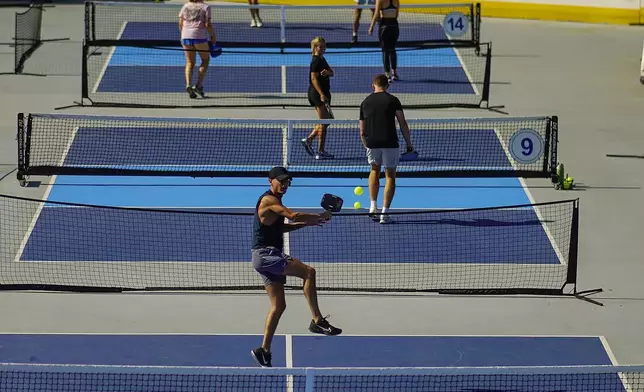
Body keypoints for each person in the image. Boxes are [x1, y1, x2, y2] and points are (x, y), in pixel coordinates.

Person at [251, 167, 342, 368]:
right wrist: (318, 216)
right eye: (281, 181)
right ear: (270, 181)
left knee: (278, 306)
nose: (284, 185)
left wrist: (307, 224)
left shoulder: (275, 202)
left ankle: (263, 350)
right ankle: (317, 320)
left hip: (263, 258)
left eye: (287, 182)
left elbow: (282, 226)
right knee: (309, 272)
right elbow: (292, 215)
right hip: (267, 255)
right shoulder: (268, 200)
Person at [359, 74, 412, 224]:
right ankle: (385, 213)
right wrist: (409, 144)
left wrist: (366, 145)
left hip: (372, 143)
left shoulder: (365, 102)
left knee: (374, 170)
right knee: (390, 176)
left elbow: (362, 131)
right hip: (390, 142)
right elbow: (402, 123)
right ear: (387, 86)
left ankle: (372, 206)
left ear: (373, 85)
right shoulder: (393, 100)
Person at [301, 37, 334, 160]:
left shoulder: (322, 59)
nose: (324, 48)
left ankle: (308, 139)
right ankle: (320, 151)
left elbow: (332, 72)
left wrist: (327, 73)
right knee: (324, 122)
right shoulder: (315, 61)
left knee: (326, 121)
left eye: (324, 46)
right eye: (321, 46)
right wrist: (321, 93)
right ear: (315, 47)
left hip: (324, 92)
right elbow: (314, 79)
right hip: (317, 94)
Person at [179, 0, 216, 99]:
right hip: (199, 37)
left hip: (185, 36)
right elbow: (208, 24)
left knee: (190, 63)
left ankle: (188, 84)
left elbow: (181, 23)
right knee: (205, 60)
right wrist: (213, 36)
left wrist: (182, 36)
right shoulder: (205, 7)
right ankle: (198, 85)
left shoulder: (185, 6)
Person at [367, 0, 400, 82]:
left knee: (385, 50)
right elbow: (396, 14)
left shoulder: (380, 0)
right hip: (394, 25)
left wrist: (371, 26)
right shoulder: (396, 1)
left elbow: (376, 14)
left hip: (384, 26)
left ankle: (387, 74)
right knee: (392, 49)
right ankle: (394, 73)